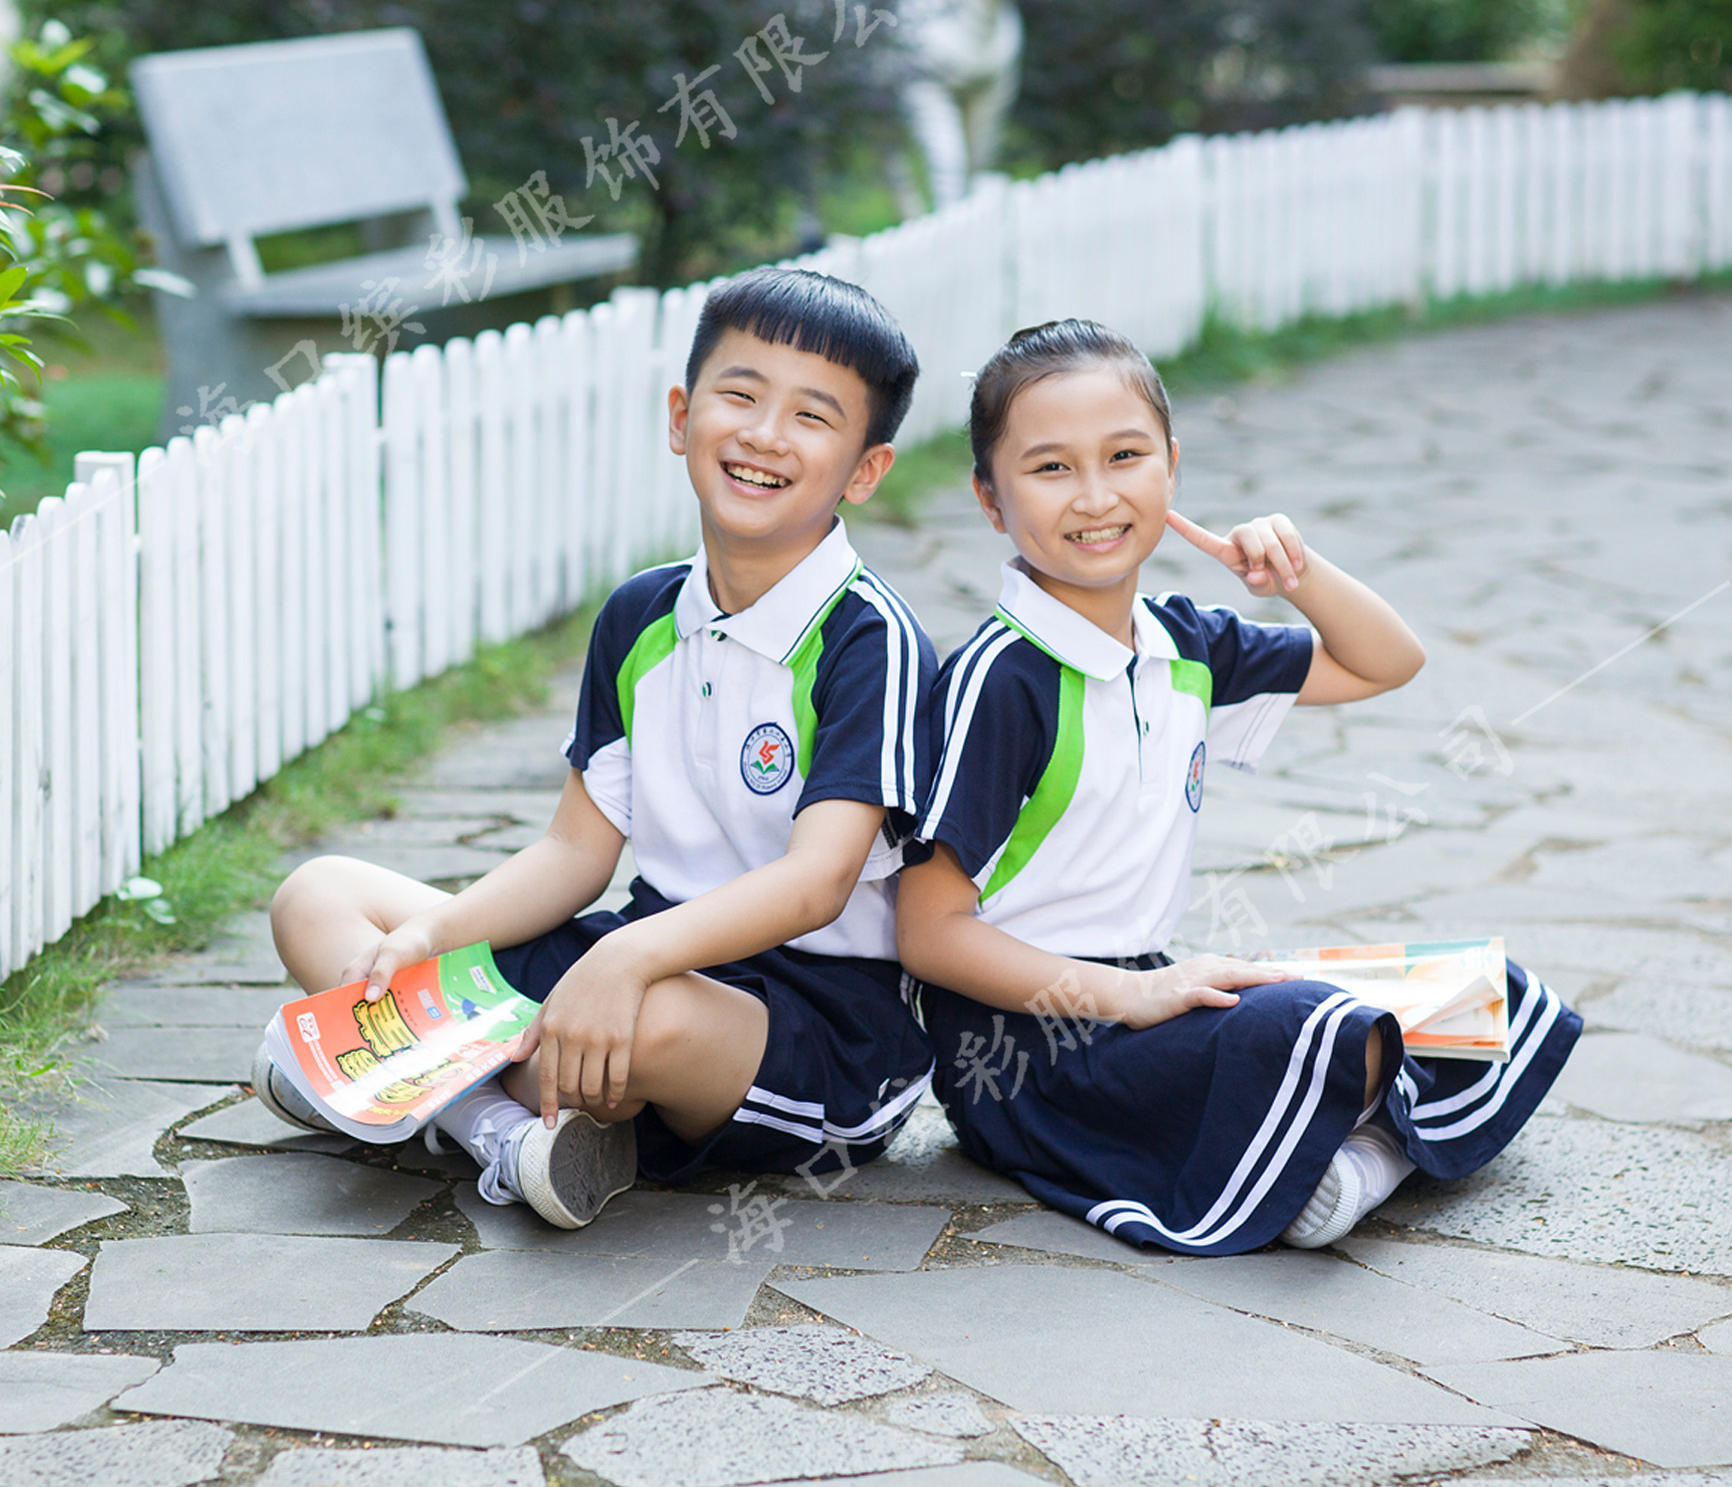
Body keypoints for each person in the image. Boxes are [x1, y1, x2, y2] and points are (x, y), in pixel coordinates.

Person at [259, 268, 938, 1228]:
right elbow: (577, 852)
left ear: (865, 469)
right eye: (739, 395)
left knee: (639, 1023)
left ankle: (392, 1080)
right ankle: (498, 1125)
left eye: (812, 417)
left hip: (812, 1020)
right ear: (681, 415)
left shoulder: (872, 639)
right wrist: (429, 940)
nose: (763, 434)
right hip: (633, 951)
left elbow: (815, 885)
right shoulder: (641, 614)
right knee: (319, 896)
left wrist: (622, 968)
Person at [897, 319, 1580, 1254]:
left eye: (1125, 455)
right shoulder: (1002, 678)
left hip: (1153, 996)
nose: (1096, 496)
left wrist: (1291, 574)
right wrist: (1129, 998)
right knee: (1324, 1029)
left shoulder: (1183, 643)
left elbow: (1388, 661)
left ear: (1170, 467)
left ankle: (1352, 1161)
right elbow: (929, 934)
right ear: (990, 498)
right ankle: (1347, 1159)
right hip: (1031, 1053)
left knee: (1475, 993)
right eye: (1051, 468)